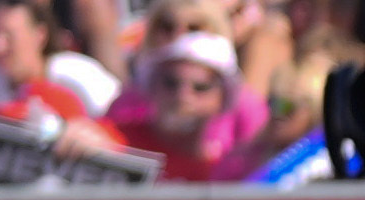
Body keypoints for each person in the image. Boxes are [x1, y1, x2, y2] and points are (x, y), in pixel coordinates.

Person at [109, 27, 265, 181]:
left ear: (223, 99)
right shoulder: (112, 141)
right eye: (171, 83)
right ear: (153, 86)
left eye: (201, 87)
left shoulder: (226, 173)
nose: (182, 96)